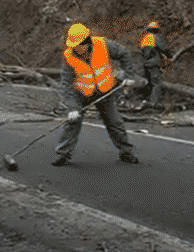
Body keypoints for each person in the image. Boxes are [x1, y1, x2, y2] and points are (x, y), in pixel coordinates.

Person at [52, 23, 146, 166]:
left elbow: (124, 54)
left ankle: (126, 153)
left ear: (87, 42)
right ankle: (63, 155)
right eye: (74, 45)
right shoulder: (69, 56)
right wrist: (72, 108)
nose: (76, 48)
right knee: (73, 122)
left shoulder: (102, 45)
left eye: (79, 45)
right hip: (81, 94)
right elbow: (66, 84)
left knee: (115, 123)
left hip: (104, 91)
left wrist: (129, 75)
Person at [137, 21, 172, 110]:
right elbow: (164, 48)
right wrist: (169, 56)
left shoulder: (145, 39)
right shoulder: (156, 37)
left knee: (149, 83)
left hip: (145, 65)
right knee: (156, 83)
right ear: (156, 29)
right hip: (153, 64)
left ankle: (147, 101)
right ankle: (153, 103)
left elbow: (142, 54)